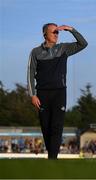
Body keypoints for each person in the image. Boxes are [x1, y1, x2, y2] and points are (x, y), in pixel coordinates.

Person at [27, 23, 88, 159]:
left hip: (59, 92)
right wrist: (32, 95)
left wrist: (71, 29)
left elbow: (83, 43)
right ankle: (52, 155)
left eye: (57, 32)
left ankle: (52, 159)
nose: (56, 34)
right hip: (42, 94)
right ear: (45, 34)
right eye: (53, 32)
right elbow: (30, 73)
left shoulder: (64, 48)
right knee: (46, 127)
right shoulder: (35, 52)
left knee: (57, 126)